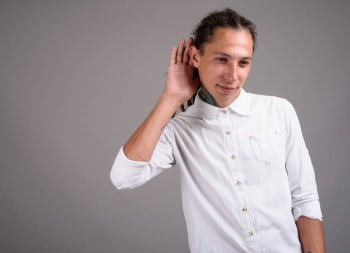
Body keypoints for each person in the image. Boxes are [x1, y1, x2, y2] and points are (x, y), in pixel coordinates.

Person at [110, 8, 325, 253]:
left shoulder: (278, 111)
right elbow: (123, 177)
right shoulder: (178, 131)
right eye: (222, 59)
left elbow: (305, 199)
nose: (233, 75)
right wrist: (170, 97)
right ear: (195, 57)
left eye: (243, 62)